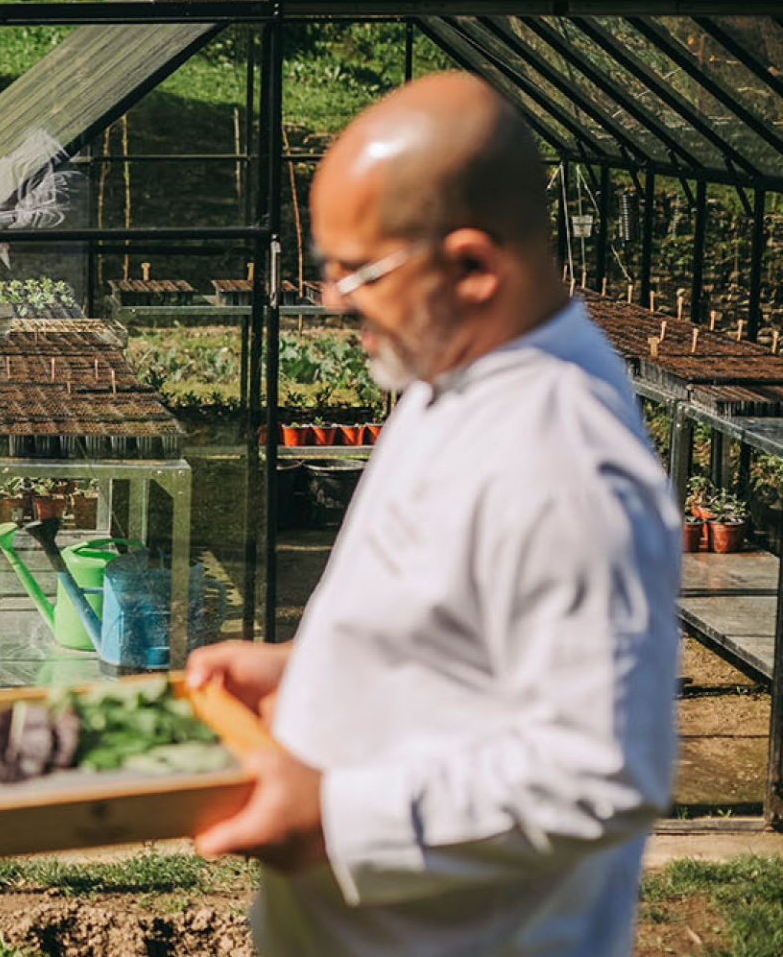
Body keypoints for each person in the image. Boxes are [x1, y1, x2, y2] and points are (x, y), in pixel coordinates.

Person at [188, 71, 680, 956]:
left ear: (472, 267)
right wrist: (307, 669)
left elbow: (602, 772)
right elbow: (462, 635)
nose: (333, 301)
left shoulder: (564, 461)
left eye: (357, 272)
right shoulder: (455, 369)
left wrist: (339, 817)